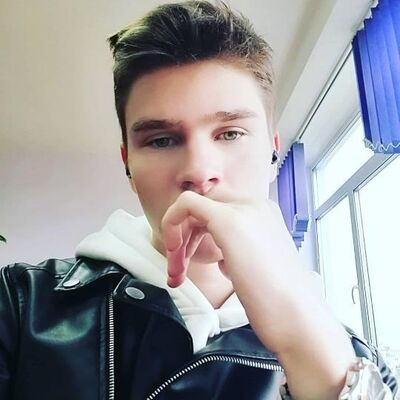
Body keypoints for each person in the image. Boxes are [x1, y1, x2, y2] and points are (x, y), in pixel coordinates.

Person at [0, 1, 397, 399]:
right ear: (128, 166)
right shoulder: (20, 306)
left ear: (273, 152)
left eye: (230, 133)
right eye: (161, 140)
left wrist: (308, 347)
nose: (199, 170)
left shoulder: (352, 358)